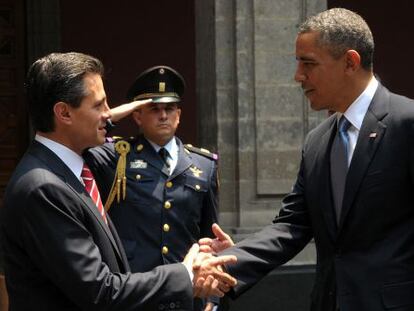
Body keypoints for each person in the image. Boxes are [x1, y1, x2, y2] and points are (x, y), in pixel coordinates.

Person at [198, 8, 414, 311]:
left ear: (350, 62)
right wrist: (228, 262)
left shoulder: (407, 123)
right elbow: (291, 227)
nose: (298, 76)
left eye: (308, 64)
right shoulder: (317, 142)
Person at [0, 52, 237, 311]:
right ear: (64, 113)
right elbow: (99, 291)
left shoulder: (66, 171)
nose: (108, 114)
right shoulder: (44, 188)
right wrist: (185, 274)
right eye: (99, 105)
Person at [84, 65, 220, 310]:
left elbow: (209, 239)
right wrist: (121, 112)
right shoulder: (117, 156)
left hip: (187, 296)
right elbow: (83, 141)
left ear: (179, 114)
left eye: (169, 109)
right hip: (136, 291)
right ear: (137, 116)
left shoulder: (203, 164)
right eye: (154, 109)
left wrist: (212, 297)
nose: (163, 116)